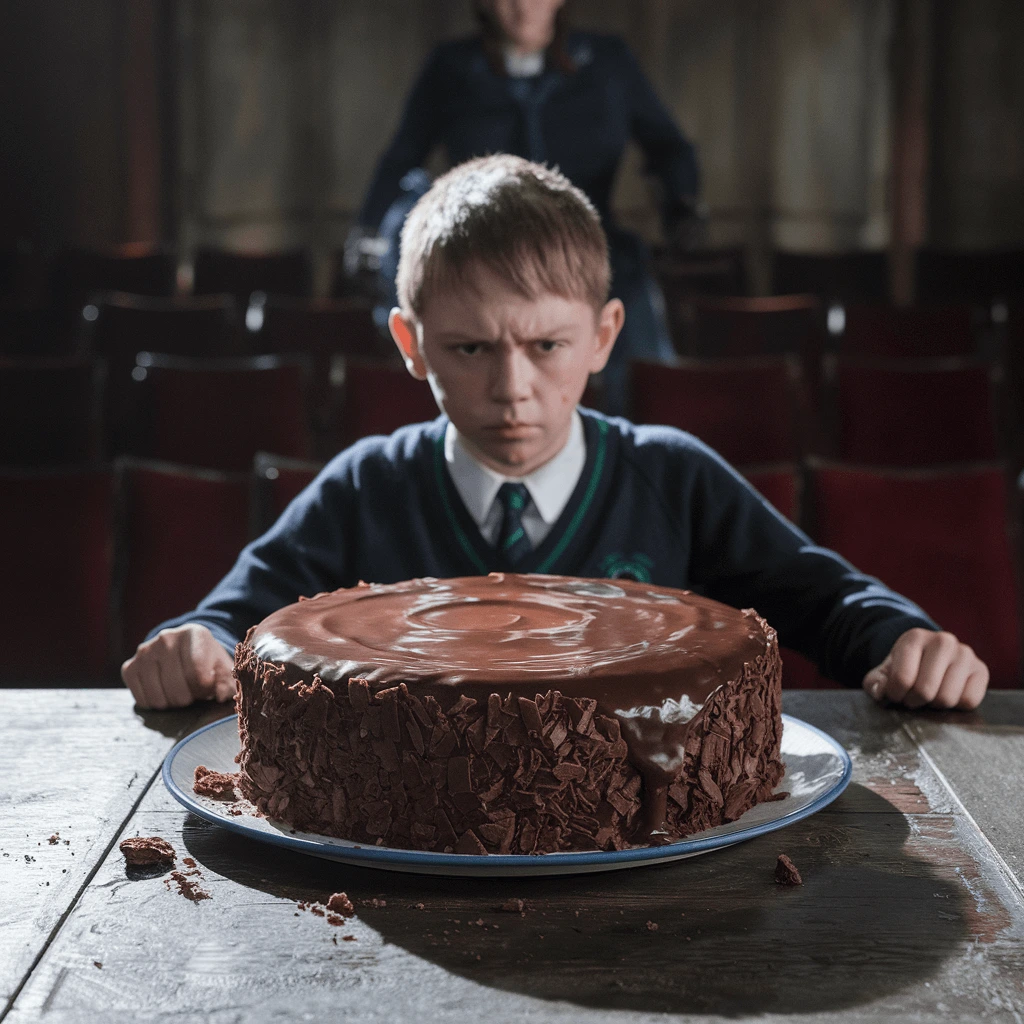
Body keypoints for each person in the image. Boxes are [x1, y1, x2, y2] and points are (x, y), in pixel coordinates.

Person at [123, 155, 990, 714]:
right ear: (410, 345)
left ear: (605, 336)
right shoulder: (364, 486)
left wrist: (907, 643)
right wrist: (194, 648)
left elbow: (833, 604)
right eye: (469, 348)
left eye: (547, 346)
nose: (512, 388)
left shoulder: (673, 477)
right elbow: (230, 622)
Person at [349, 0, 699, 413]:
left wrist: (682, 201)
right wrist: (369, 231)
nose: (521, 6)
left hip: (591, 251)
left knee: (647, 378)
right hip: (483, 262)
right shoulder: (452, 67)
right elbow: (401, 157)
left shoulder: (607, 61)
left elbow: (668, 147)